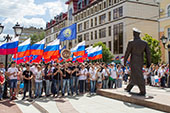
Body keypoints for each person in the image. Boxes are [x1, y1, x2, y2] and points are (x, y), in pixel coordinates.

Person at [124, 28, 151, 96]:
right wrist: (149, 63)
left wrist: (124, 61)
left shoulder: (131, 42)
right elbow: (148, 54)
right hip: (140, 60)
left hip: (134, 60)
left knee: (138, 75)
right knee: (134, 74)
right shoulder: (144, 43)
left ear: (134, 34)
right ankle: (129, 87)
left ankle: (142, 90)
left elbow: (127, 53)